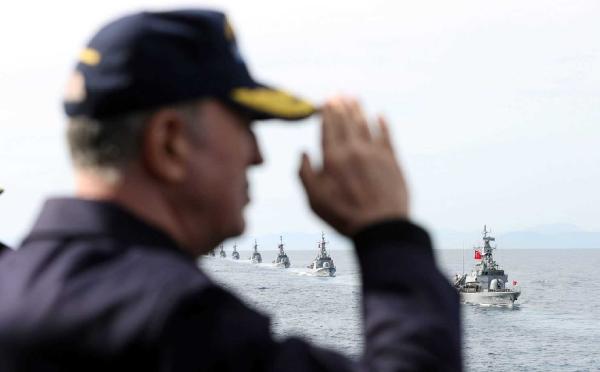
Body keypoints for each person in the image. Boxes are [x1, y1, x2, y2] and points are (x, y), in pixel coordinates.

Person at [0, 9, 461, 371]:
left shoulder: (13, 283)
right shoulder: (176, 321)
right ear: (170, 143)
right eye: (245, 126)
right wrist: (387, 232)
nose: (258, 155)